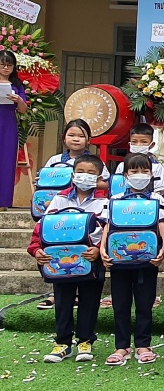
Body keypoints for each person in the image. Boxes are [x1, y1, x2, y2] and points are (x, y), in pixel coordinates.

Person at [27, 155, 108, 363]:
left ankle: (85, 341)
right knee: (63, 302)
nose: (84, 176)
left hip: (91, 262)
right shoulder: (59, 199)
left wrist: (99, 250)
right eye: (80, 172)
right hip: (60, 263)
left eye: (91, 173)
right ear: (72, 175)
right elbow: (42, 228)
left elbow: (109, 232)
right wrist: (36, 250)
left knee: (90, 302)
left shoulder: (105, 202)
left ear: (99, 178)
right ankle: (62, 343)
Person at [100, 153, 164, 365]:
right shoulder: (115, 200)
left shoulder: (157, 199)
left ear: (151, 174)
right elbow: (108, 225)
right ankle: (121, 346)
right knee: (120, 304)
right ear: (125, 175)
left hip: (147, 260)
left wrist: (163, 249)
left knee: (144, 303)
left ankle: (143, 345)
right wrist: (102, 249)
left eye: (144, 171)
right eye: (134, 171)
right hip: (119, 261)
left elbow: (161, 224)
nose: (140, 175)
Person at [0, 50, 29, 209]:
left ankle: (3, 201)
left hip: (8, 125)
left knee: (6, 160)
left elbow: (23, 110)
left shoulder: (17, 84)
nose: (6, 68)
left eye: (9, 65)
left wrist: (18, 100)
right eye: (2, 64)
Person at [43, 119, 111, 183]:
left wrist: (85, 183)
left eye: (81, 136)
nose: (76, 139)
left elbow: (106, 183)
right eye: (71, 135)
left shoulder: (96, 161)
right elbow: (44, 178)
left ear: (88, 140)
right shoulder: (54, 160)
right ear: (64, 138)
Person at [114, 123, 164, 199]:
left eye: (144, 142)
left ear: (152, 145)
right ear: (129, 143)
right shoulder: (122, 165)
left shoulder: (157, 166)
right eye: (134, 141)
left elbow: (160, 188)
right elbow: (117, 186)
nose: (138, 145)